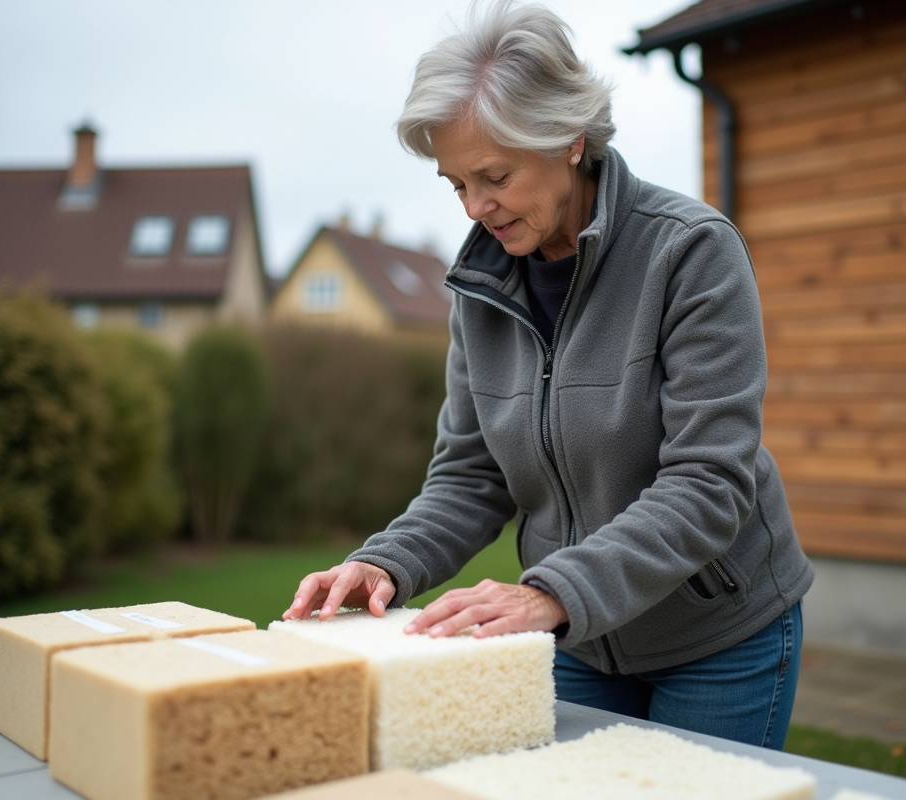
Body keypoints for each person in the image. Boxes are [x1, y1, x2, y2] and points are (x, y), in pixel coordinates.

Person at [284, 0, 814, 750]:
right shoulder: (480, 285)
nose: (476, 207)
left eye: (494, 175)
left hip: (716, 638)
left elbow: (708, 483)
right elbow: (470, 476)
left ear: (569, 139)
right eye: (455, 183)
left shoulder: (690, 252)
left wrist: (549, 593)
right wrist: (385, 562)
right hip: (577, 641)